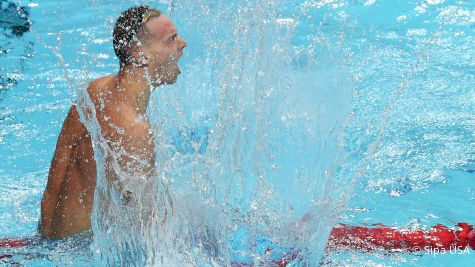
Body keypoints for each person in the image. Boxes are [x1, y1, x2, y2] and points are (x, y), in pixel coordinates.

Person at [38, 5, 187, 239]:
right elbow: (150, 232)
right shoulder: (135, 130)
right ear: (140, 54)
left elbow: (51, 192)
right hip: (81, 254)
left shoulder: (94, 91)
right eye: (171, 40)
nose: (183, 44)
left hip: (47, 241)